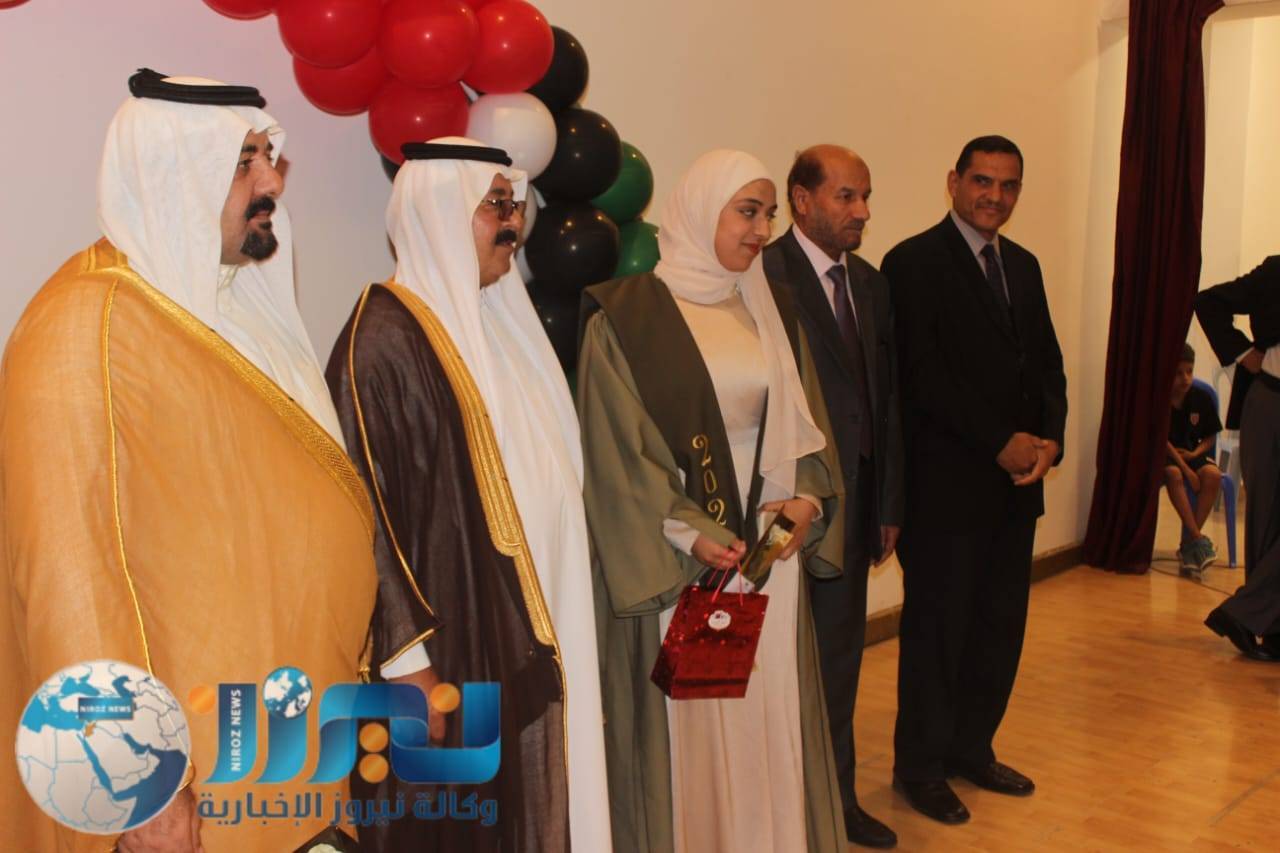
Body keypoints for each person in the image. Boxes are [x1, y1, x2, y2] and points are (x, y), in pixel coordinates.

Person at [0, 70, 378, 852]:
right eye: (244, 162)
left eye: (269, 156)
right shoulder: (84, 326)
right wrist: (138, 788)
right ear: (176, 174)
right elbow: (70, 584)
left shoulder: (240, 311)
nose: (272, 181)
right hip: (188, 789)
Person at [325, 138, 612, 852]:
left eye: (513, 205)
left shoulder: (501, 322)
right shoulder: (381, 339)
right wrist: (406, 665)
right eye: (494, 206)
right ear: (440, 213)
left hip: (530, 624)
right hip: (452, 642)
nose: (513, 223)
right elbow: (365, 517)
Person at [579, 149, 848, 853]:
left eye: (769, 214)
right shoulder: (628, 317)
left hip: (766, 562)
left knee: (764, 715)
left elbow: (809, 425)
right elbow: (618, 452)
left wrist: (809, 500)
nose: (762, 230)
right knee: (698, 731)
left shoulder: (771, 309)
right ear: (700, 211)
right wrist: (691, 532)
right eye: (747, 212)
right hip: (688, 563)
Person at [882, 135, 1067, 825]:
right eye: (982, 181)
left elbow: (1046, 363)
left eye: (1008, 184)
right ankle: (920, 767)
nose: (995, 195)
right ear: (953, 181)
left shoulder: (1023, 265)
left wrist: (1051, 438)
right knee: (938, 633)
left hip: (1016, 491)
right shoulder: (912, 262)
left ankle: (971, 747)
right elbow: (922, 376)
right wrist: (998, 442)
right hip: (946, 491)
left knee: (998, 627)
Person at [762, 145, 903, 849]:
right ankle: (779, 803)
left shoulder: (870, 285)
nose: (862, 211)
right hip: (787, 507)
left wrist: (889, 504)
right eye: (847, 196)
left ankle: (837, 800)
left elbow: (887, 402)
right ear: (803, 199)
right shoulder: (764, 275)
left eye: (865, 196)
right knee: (777, 663)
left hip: (854, 510)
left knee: (840, 664)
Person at [1196, 256, 1280, 661]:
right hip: (1269, 401)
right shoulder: (1276, 271)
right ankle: (1271, 630)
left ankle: (1243, 614)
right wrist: (1245, 354)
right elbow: (1208, 302)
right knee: (1264, 518)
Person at [1164, 343, 1222, 574]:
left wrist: (1195, 455)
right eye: (1179, 373)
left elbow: (1210, 436)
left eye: (1189, 371)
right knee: (1173, 474)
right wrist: (1187, 470)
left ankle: (1188, 544)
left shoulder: (1201, 398)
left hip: (1192, 452)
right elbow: (1161, 439)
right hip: (1168, 456)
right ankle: (1197, 539)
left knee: (1213, 475)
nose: (1185, 378)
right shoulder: (1160, 399)